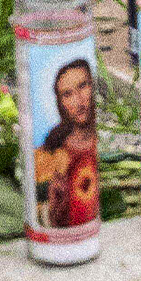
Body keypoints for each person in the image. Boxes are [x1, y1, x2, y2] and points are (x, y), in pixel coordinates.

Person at [35, 58, 101, 224]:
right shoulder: (52, 155)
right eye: (67, 94)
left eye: (83, 86)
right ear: (60, 103)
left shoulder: (99, 140)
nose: (78, 100)